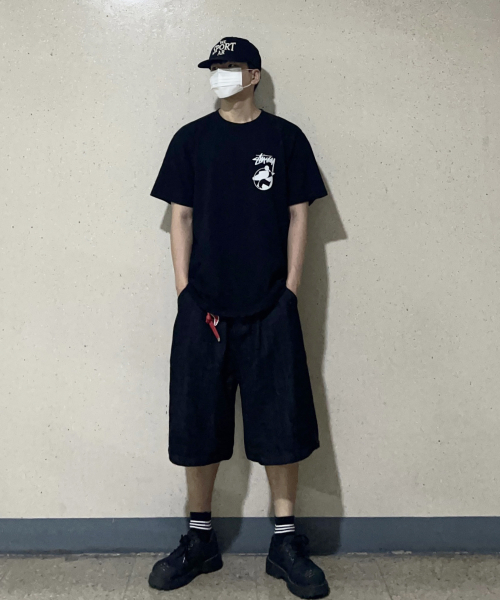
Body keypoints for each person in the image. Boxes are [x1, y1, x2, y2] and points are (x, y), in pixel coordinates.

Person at [148, 36, 330, 599]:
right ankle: (200, 539)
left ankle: (285, 543)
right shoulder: (191, 140)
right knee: (197, 422)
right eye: (215, 67)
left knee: (282, 422)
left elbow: (299, 216)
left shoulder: (285, 139)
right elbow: (180, 218)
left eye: (230, 66)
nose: (220, 75)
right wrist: (185, 293)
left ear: (253, 76)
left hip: (271, 306)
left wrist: (289, 292)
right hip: (203, 309)